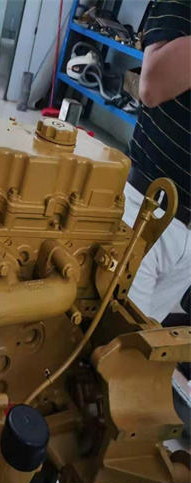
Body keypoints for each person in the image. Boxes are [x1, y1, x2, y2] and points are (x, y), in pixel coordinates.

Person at [124, 0, 191, 322]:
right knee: (110, 340)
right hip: (149, 210)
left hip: (187, 241)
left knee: (146, 342)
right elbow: (151, 86)